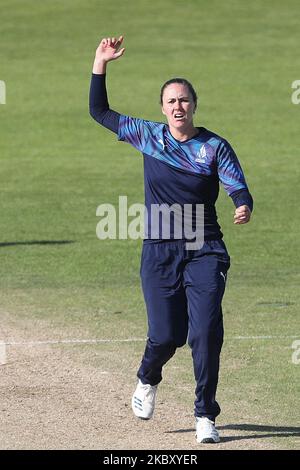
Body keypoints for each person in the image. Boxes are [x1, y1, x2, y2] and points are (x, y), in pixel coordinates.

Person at [89, 36, 253, 444]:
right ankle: (147, 377)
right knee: (167, 336)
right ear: (162, 109)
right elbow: (99, 111)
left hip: (205, 247)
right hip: (160, 249)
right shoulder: (149, 136)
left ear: (193, 105)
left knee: (205, 332)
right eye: (171, 101)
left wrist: (242, 204)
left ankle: (205, 416)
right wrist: (100, 62)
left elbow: (239, 187)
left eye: (184, 100)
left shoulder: (214, 146)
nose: (178, 106)